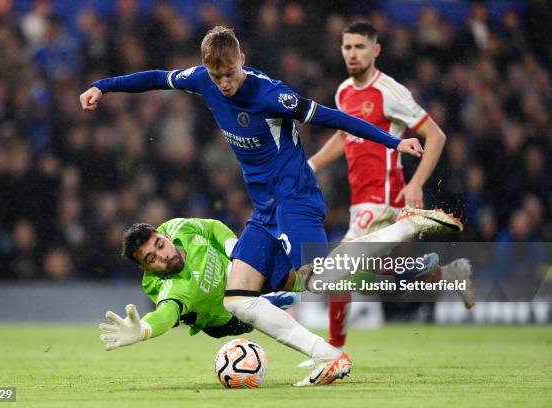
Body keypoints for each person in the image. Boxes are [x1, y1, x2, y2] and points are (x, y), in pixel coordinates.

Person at [82, 25, 434, 386]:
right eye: (217, 76)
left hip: (295, 196)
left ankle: (407, 225)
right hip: (265, 209)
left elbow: (334, 117)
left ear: (242, 61)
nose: (224, 83)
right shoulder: (202, 79)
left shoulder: (272, 95)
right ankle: (329, 357)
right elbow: (156, 78)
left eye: (230, 73)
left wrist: (393, 142)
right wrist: (102, 86)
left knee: (320, 280)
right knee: (237, 298)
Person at [100, 211, 464, 386]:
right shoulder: (168, 287)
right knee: (317, 278)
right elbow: (166, 313)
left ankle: (406, 237)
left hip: (244, 278)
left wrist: (234, 249)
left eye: (159, 246)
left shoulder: (178, 227)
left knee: (315, 277)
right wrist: (144, 330)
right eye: (151, 259)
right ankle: (415, 261)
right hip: (226, 321)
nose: (162, 256)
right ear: (146, 269)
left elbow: (210, 227)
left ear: (162, 234)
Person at [306, 21, 475, 355]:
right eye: (347, 47)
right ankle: (447, 273)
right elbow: (345, 135)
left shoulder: (389, 92)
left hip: (385, 199)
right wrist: (311, 165)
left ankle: (331, 355)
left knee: (333, 274)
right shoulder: (343, 92)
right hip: (362, 200)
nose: (353, 54)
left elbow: (436, 135)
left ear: (376, 50)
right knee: (388, 275)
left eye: (360, 47)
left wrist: (416, 183)